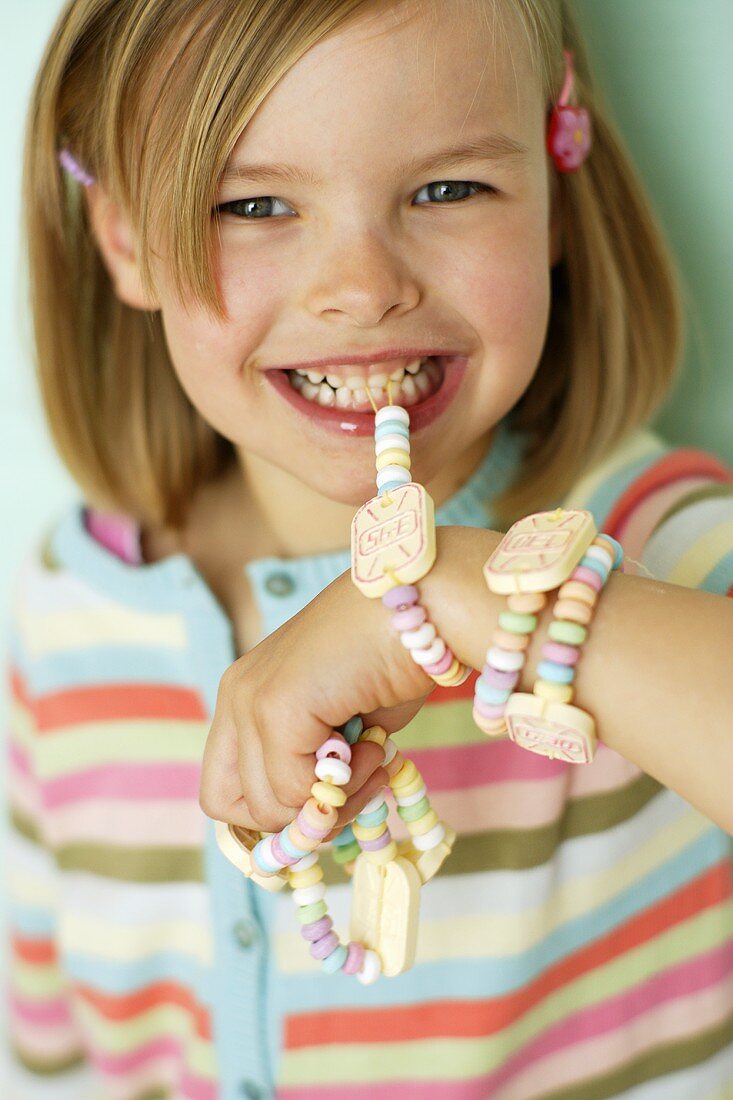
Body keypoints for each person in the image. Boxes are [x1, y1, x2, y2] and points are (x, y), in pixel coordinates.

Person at [6, 0, 733, 1096]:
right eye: (251, 203)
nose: (362, 286)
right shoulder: (70, 613)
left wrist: (465, 597)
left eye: (447, 189)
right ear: (123, 238)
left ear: (553, 193)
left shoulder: (653, 545)